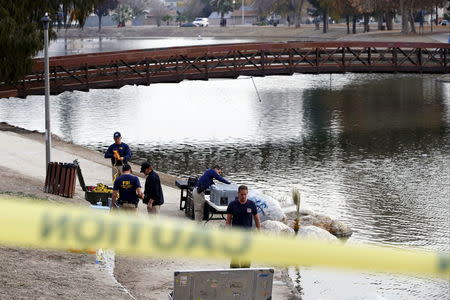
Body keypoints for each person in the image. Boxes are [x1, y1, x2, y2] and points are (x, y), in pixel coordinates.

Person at [226, 185, 260, 268]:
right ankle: (234, 272)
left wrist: (258, 230)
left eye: (245, 194)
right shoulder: (232, 204)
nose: (243, 196)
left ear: (247, 194)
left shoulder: (251, 204)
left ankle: (246, 271)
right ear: (238, 194)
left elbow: (256, 218)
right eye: (242, 194)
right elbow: (228, 220)